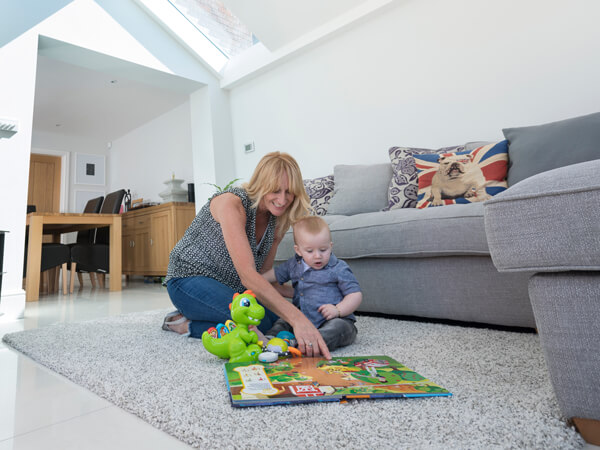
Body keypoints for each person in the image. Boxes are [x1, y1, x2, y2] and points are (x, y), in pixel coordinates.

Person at [162, 151, 331, 358]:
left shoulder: (276, 219)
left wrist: (306, 293)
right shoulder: (232, 204)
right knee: (255, 321)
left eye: (289, 192)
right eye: (275, 190)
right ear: (261, 184)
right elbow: (248, 275)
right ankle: (184, 325)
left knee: (270, 321)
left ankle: (196, 320)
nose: (282, 199)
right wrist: (299, 319)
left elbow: (264, 279)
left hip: (231, 287)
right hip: (187, 280)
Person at [262, 215, 362, 351]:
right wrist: (257, 279)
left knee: (339, 329)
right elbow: (274, 274)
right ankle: (270, 340)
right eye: (310, 251)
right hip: (302, 319)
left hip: (334, 320)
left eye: (323, 250)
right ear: (298, 250)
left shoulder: (338, 268)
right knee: (282, 322)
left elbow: (355, 294)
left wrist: (338, 310)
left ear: (330, 246)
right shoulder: (294, 265)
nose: (317, 256)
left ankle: (306, 344)